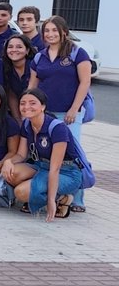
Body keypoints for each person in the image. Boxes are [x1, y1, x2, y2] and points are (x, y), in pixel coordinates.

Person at [29, 15, 92, 212]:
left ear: (64, 31)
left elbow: (85, 82)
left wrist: (74, 109)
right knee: (46, 152)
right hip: (44, 114)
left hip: (68, 113)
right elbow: (33, 85)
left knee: (73, 154)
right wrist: (29, 108)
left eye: (54, 30)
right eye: (47, 31)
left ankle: (78, 198)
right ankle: (55, 193)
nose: (50, 34)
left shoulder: (77, 53)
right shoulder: (40, 56)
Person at [4, 88, 88, 221]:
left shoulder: (57, 128)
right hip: (41, 165)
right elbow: (21, 155)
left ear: (42, 106)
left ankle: (62, 198)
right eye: (22, 103)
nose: (26, 107)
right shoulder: (27, 124)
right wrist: (8, 162)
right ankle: (37, 192)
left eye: (32, 103)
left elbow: (55, 168)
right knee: (10, 173)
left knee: (20, 192)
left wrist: (50, 201)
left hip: (66, 172)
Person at [1, 35, 34, 120]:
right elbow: (12, 96)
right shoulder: (6, 69)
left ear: (27, 50)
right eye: (10, 47)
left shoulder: (34, 66)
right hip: (19, 110)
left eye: (19, 47)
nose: (14, 50)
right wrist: (18, 121)